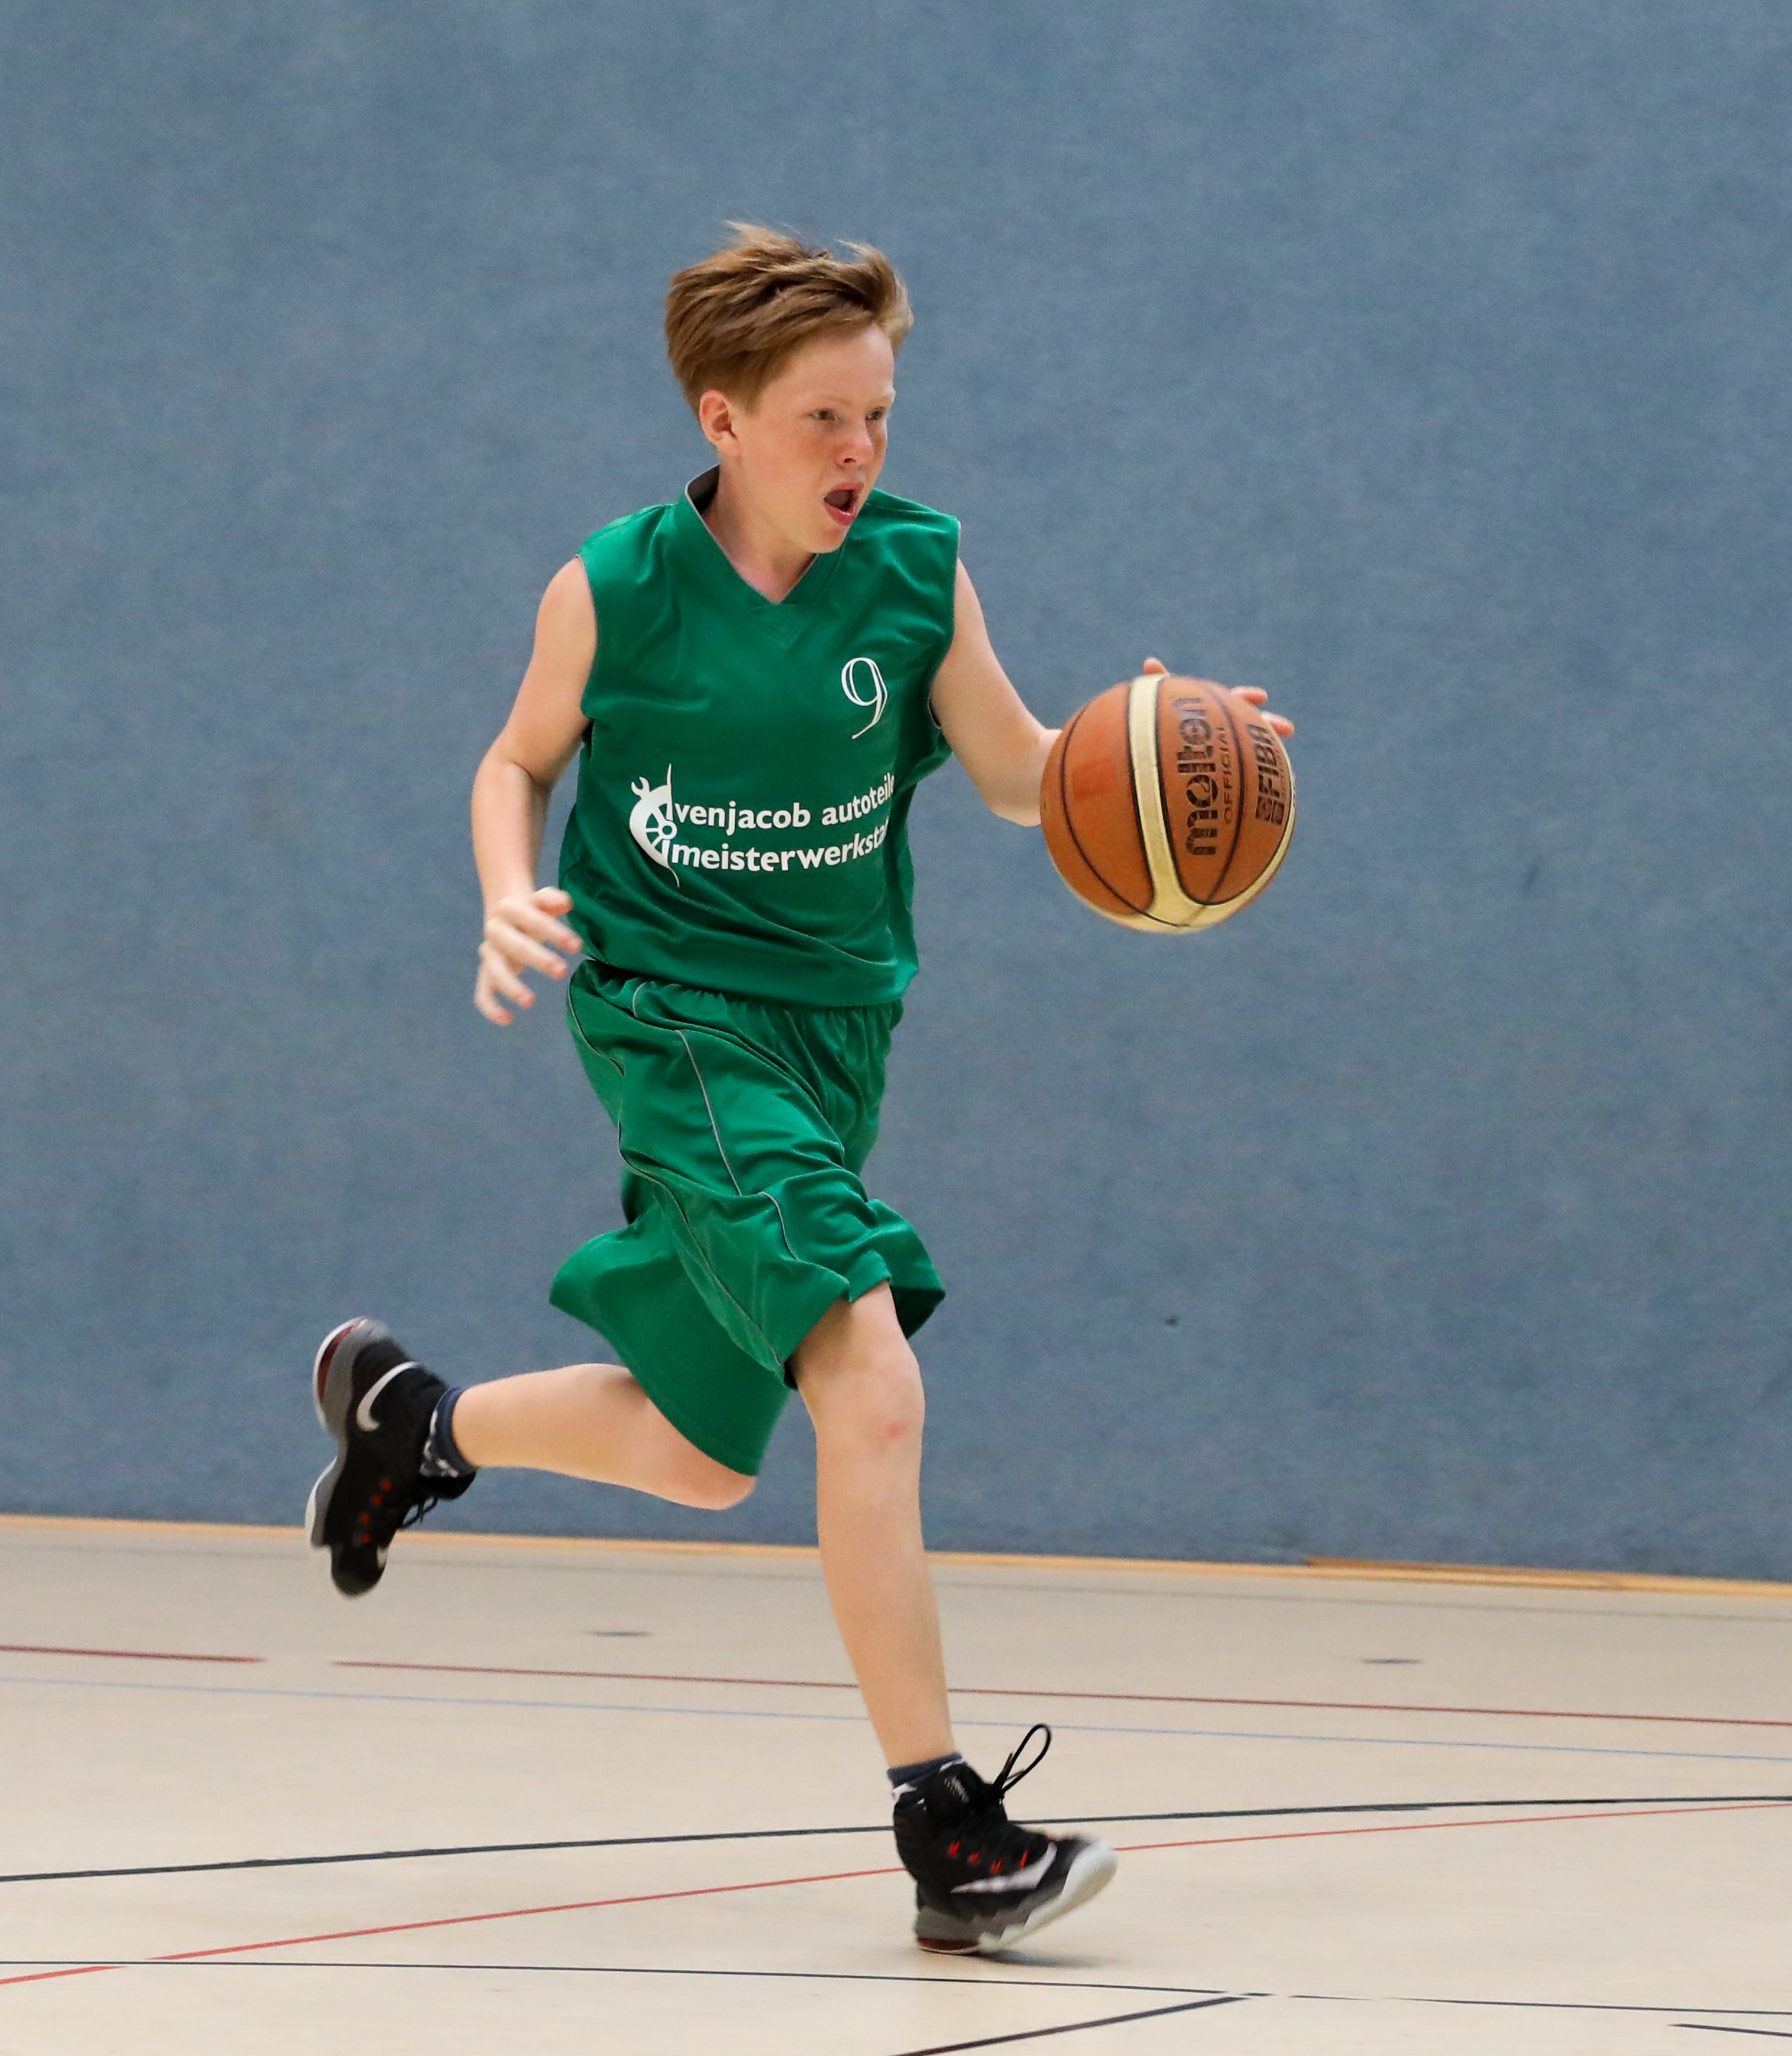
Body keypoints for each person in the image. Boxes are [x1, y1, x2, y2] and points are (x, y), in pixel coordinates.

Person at [301, 224, 1288, 1957]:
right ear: (726, 418)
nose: (861, 451)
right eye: (826, 418)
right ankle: (945, 1825)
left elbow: (1017, 772)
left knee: (699, 1455)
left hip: (834, 1040)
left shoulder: (914, 574)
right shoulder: (615, 589)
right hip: (676, 1025)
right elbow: (516, 760)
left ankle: (415, 1424)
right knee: (870, 1386)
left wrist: (1144, 749)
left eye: (880, 416)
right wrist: (506, 887)